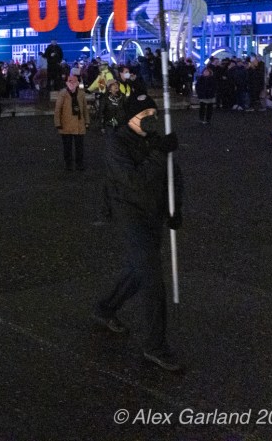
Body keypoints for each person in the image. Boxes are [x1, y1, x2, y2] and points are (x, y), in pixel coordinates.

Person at [93, 93, 182, 371]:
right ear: (130, 118)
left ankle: (105, 307)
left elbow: (173, 177)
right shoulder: (116, 144)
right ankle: (155, 346)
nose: (150, 120)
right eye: (144, 115)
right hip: (129, 214)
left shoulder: (155, 139)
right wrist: (159, 153)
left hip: (153, 213)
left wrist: (175, 209)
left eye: (153, 114)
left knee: (139, 269)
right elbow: (134, 181)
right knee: (152, 277)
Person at [54, 74, 89, 171]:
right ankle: (68, 163)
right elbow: (58, 109)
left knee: (79, 146)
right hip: (66, 123)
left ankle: (79, 163)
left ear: (77, 83)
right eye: (69, 81)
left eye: (73, 81)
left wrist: (87, 121)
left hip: (79, 123)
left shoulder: (81, 93)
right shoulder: (63, 93)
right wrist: (57, 123)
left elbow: (84, 108)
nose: (71, 83)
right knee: (67, 146)